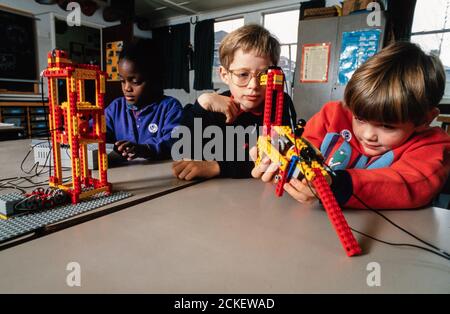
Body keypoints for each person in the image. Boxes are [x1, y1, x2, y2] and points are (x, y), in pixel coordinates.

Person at [251, 41, 450, 209]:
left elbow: (409, 183)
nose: (368, 135)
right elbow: (303, 146)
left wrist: (336, 185)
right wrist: (279, 159)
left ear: (424, 119)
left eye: (387, 126)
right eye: (360, 119)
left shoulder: (432, 145)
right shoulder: (334, 115)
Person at [172, 24, 296, 180]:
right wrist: (201, 104)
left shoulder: (280, 103)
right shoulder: (211, 107)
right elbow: (182, 152)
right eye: (243, 74)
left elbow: (279, 156)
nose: (254, 85)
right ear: (224, 75)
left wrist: (217, 166)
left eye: (264, 75)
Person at [106, 39, 183, 161]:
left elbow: (175, 140)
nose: (127, 88)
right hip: (124, 176)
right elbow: (97, 132)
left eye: (135, 82)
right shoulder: (115, 108)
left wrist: (146, 148)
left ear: (155, 79)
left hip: (158, 174)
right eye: (122, 81)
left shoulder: (170, 107)